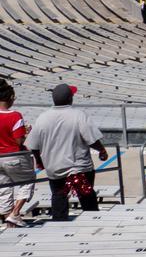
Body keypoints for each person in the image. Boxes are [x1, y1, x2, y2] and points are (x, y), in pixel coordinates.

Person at [26, 83, 108, 222]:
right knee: (87, 198)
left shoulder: (43, 118)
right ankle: (93, 224)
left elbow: (33, 145)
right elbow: (91, 139)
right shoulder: (78, 115)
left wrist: (39, 162)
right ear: (70, 98)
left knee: (59, 197)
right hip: (79, 167)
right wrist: (101, 150)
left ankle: (59, 226)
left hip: (55, 168)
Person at [0, 78, 35, 228]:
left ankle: (9, 219)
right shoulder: (14, 115)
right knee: (27, 181)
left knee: (4, 187)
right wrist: (26, 132)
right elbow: (19, 141)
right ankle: (15, 213)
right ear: (10, 98)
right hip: (14, 155)